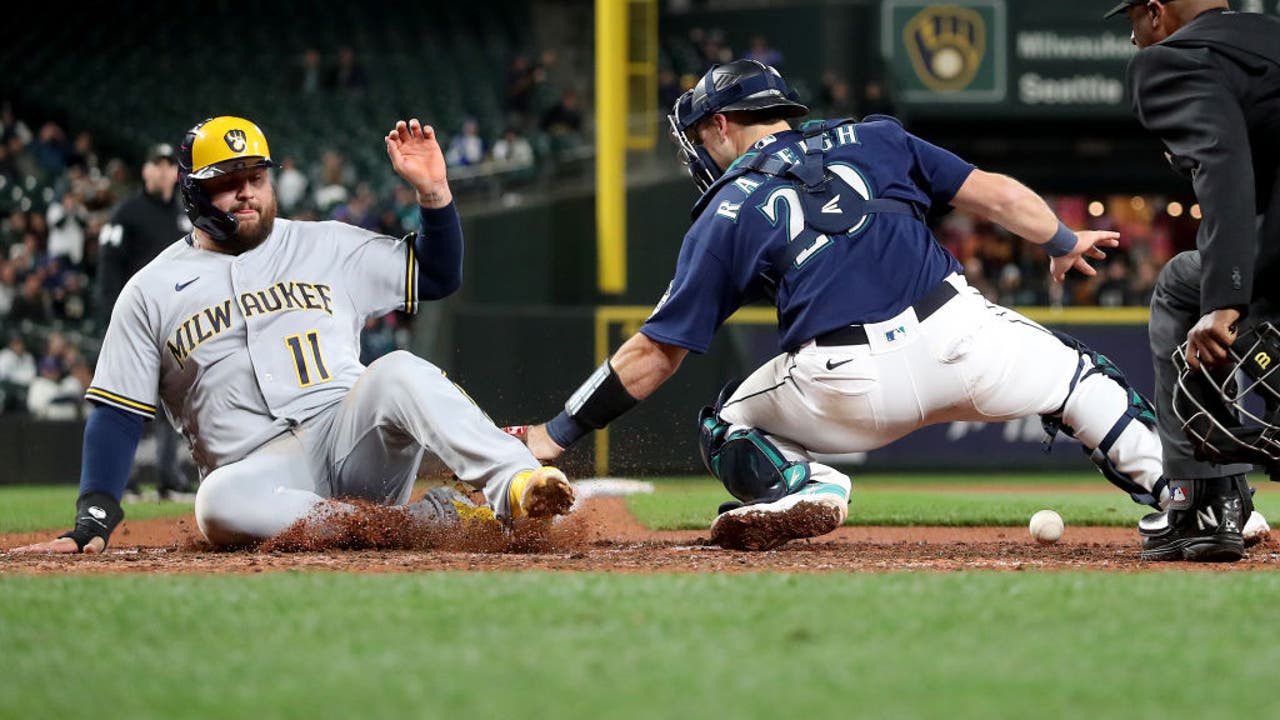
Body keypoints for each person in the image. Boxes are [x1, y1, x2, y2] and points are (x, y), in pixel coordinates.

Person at [519, 59, 1170, 551]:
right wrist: (1060, 240)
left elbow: (656, 353)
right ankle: (1189, 500)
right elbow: (995, 195)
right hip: (964, 339)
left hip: (845, 386)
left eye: (699, 134)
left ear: (720, 125)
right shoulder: (877, 138)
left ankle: (804, 485)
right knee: (1085, 382)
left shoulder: (726, 209)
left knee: (724, 423)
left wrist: (557, 433)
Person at [12, 115, 573, 554]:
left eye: (255, 178)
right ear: (193, 194)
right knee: (216, 503)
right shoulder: (150, 290)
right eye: (227, 183)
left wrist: (433, 194)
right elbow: (117, 410)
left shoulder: (324, 243)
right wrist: (95, 515)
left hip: (351, 438)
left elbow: (439, 274)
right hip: (261, 477)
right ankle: (412, 525)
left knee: (398, 371)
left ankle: (519, 485)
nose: (247, 193)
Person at [1105, 1, 1280, 561]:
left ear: (1156, 13)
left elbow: (1223, 163)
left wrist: (1227, 301)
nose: (1135, 40)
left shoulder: (1170, 61)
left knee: (1184, 286)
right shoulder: (1266, 38)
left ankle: (1206, 500)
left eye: (1132, 20)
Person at [97, 142, 199, 501]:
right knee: (127, 404)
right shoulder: (126, 213)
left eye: (169, 164)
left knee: (174, 407)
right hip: (134, 323)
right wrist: (111, 318)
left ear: (176, 172)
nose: (162, 170)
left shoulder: (185, 215)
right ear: (145, 171)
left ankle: (169, 480)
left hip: (175, 325)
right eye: (156, 163)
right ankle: (122, 483)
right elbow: (108, 270)